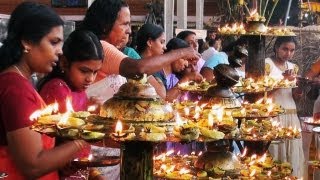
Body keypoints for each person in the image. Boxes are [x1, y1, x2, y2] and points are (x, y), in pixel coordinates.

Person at [0, 2, 87, 179]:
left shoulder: (18, 82)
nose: (60, 51)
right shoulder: (15, 88)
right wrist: (84, 138)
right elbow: (33, 165)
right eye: (53, 42)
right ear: (27, 42)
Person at [80, 0, 199, 102]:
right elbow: (139, 68)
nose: (129, 31)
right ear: (106, 25)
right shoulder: (99, 47)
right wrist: (182, 53)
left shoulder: (113, 49)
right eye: (125, 24)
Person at [265, 37, 306, 179]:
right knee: (275, 152)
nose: (288, 53)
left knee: (292, 153)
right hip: (274, 115)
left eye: (292, 50)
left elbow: (295, 96)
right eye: (285, 49)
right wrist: (283, 81)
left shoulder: (293, 67)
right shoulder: (266, 65)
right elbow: (261, 93)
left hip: (291, 115)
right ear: (276, 47)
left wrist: (301, 87)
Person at [154, 38, 203, 102]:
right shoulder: (156, 73)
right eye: (184, 59)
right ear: (174, 55)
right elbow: (165, 100)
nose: (186, 64)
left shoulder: (174, 77)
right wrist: (186, 78)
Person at [136, 23, 167, 99]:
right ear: (150, 42)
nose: (165, 47)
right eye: (162, 42)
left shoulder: (159, 67)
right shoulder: (137, 65)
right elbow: (162, 95)